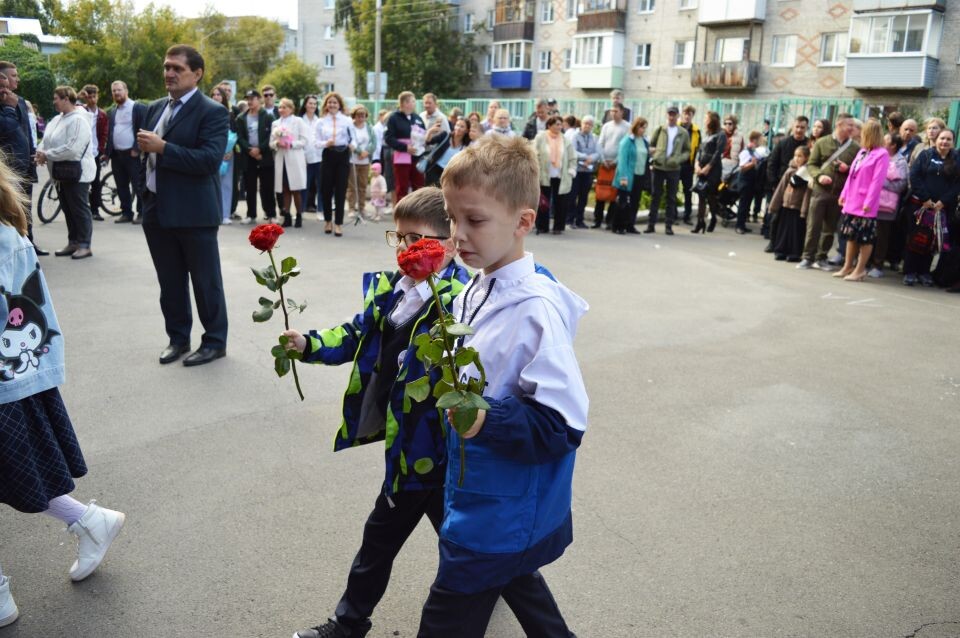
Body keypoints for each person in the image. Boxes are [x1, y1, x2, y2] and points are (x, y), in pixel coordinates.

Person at [419, 134, 588, 638]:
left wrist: (489, 418)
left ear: (522, 221)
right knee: (515, 577)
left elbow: (564, 422)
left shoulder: (534, 309)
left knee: (447, 617)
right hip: (480, 492)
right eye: (451, 218)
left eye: (474, 220)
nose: (458, 234)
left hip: (499, 505)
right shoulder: (478, 281)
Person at [285, 187, 470, 638]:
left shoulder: (461, 299)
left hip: (443, 450)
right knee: (406, 539)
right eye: (399, 238)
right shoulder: (390, 292)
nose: (405, 250)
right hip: (405, 447)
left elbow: (476, 372)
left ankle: (349, 624)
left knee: (437, 541)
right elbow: (354, 334)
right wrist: (310, 344)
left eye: (417, 239)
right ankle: (350, 623)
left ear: (447, 243)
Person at [0, 157, 125, 629]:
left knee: (17, 470)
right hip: (15, 379)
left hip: (8, 380)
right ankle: (89, 521)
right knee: (16, 470)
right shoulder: (8, 233)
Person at [136, 44, 229, 366]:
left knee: (206, 283)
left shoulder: (212, 111)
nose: (169, 73)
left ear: (197, 73)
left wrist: (164, 148)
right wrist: (144, 194)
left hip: (194, 214)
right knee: (170, 282)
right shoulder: (155, 107)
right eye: (166, 67)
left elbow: (208, 161)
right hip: (156, 209)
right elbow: (145, 155)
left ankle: (215, 341)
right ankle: (178, 339)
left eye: (177, 68)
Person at [36, 86, 96, 260]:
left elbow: (72, 148)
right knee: (68, 210)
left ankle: (85, 245)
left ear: (67, 99)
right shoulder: (56, 119)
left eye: (56, 98)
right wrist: (41, 152)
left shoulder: (79, 120)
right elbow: (46, 140)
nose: (54, 101)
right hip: (61, 173)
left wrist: (47, 155)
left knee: (79, 210)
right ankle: (73, 242)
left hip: (78, 173)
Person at [797, 113, 859, 271]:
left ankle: (821, 257)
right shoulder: (822, 142)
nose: (853, 128)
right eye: (849, 125)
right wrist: (819, 176)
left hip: (839, 194)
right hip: (820, 191)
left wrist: (848, 169)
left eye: (853, 125)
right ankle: (807, 257)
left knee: (829, 228)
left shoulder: (855, 148)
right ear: (839, 125)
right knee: (813, 225)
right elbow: (811, 164)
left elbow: (858, 171)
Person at [903, 128, 960, 287]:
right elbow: (914, 176)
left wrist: (943, 201)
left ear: (952, 142)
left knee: (932, 242)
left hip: (941, 208)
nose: (944, 142)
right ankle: (910, 272)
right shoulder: (926, 155)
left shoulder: (956, 159)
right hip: (921, 205)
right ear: (937, 139)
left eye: (948, 139)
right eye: (942, 138)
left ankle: (924, 272)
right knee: (915, 239)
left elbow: (957, 184)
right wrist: (925, 198)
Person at [834, 120, 889, 281]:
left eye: (863, 132)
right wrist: (844, 194)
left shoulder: (882, 154)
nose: (860, 135)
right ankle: (847, 267)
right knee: (851, 235)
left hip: (866, 204)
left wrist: (869, 202)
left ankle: (860, 270)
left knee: (864, 238)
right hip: (852, 200)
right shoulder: (862, 151)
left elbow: (877, 181)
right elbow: (852, 175)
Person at [0, 62, 42, 254]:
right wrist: (9, 107)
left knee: (25, 208)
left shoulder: (19, 101)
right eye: (13, 75)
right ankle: (18, 249)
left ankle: (29, 245)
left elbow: (26, 132)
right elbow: (8, 129)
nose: (17, 79)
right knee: (11, 210)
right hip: (9, 170)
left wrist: (32, 152)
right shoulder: (7, 104)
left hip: (24, 164)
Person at [104, 80, 147, 224]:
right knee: (121, 185)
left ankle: (142, 213)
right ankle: (126, 213)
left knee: (138, 185)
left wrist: (137, 148)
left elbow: (144, 128)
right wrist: (107, 152)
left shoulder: (137, 107)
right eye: (114, 91)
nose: (116, 93)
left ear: (126, 91)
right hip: (117, 155)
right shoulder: (113, 111)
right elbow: (111, 132)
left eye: (119, 90)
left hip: (132, 154)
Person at [644, 105, 690, 235]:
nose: (671, 117)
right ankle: (651, 224)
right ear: (666, 115)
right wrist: (655, 155)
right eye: (669, 114)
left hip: (673, 168)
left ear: (677, 116)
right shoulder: (660, 129)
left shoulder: (683, 132)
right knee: (655, 196)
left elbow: (687, 150)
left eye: (674, 114)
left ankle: (668, 225)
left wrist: (678, 159)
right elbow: (651, 145)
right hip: (658, 167)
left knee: (671, 197)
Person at [868, 132, 908, 278]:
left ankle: (877, 265)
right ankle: (866, 261)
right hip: (871, 202)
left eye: (885, 140)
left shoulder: (900, 162)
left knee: (882, 236)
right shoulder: (876, 155)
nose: (881, 142)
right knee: (869, 233)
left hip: (887, 206)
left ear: (893, 145)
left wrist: (880, 181)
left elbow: (901, 185)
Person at [764, 116, 809, 241]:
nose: (799, 130)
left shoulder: (809, 144)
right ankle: (772, 241)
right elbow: (772, 163)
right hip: (781, 184)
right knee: (774, 215)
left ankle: (788, 244)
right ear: (793, 127)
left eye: (802, 127)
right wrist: (774, 183)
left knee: (794, 219)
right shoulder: (783, 143)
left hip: (801, 187)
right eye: (797, 127)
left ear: (806, 128)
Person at [316, 91, 355, 236]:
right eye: (330, 102)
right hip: (328, 154)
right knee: (326, 190)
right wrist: (326, 143)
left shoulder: (346, 120)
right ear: (326, 105)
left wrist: (353, 145)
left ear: (339, 105)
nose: (332, 105)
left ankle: (338, 223)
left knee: (340, 190)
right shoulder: (321, 121)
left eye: (335, 103)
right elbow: (316, 142)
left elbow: (353, 138)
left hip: (343, 154)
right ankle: (328, 221)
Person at [236, 89, 276, 224]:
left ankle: (271, 214)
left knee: (267, 187)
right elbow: (239, 137)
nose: (249, 101)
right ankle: (251, 214)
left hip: (264, 156)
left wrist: (260, 149)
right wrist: (249, 149)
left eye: (252, 98)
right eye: (248, 99)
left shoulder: (268, 116)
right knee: (250, 187)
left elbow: (272, 135)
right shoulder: (241, 118)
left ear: (259, 99)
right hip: (249, 157)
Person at [533, 115, 577, 235]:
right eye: (556, 124)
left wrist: (571, 170)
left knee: (561, 202)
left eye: (560, 124)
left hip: (561, 176)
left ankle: (558, 227)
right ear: (549, 125)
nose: (559, 127)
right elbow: (534, 153)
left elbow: (573, 157)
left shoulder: (565, 140)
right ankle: (542, 226)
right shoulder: (541, 137)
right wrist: (535, 168)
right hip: (544, 175)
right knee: (544, 202)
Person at [270, 97, 310, 228]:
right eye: (280, 107)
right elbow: (271, 143)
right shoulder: (275, 123)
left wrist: (290, 144)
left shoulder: (298, 121)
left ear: (291, 109)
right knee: (285, 189)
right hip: (281, 159)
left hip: (294, 158)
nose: (281, 110)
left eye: (284, 107)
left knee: (296, 189)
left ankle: (298, 215)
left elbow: (304, 140)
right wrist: (277, 143)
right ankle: (286, 216)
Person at [768, 145, 811, 261]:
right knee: (783, 229)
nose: (797, 158)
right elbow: (781, 188)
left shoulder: (807, 172)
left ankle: (794, 253)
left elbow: (807, 193)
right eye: (795, 156)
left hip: (798, 206)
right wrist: (775, 204)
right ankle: (780, 250)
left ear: (807, 158)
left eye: (800, 156)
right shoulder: (790, 170)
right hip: (786, 204)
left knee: (796, 231)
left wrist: (804, 209)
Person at [384, 91, 426, 205]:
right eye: (410, 101)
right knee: (402, 187)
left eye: (413, 101)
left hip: (417, 157)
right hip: (401, 158)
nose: (413, 104)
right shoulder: (394, 118)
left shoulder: (417, 118)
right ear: (403, 103)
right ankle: (401, 216)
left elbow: (424, 135)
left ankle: (418, 215)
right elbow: (388, 138)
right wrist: (405, 147)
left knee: (419, 186)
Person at [611, 116, 649, 235]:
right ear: (635, 126)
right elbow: (622, 161)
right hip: (627, 176)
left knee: (635, 202)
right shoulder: (627, 140)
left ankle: (630, 225)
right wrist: (623, 178)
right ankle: (618, 226)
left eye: (644, 128)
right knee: (623, 201)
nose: (643, 130)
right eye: (641, 127)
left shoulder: (644, 141)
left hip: (639, 175)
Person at [593, 104, 629, 228]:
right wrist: (603, 159)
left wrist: (615, 161)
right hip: (604, 164)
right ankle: (597, 220)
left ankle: (609, 221)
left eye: (616, 111)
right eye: (612, 111)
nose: (613, 113)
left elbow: (625, 147)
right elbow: (600, 143)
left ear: (622, 112)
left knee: (613, 194)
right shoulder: (606, 126)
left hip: (617, 165)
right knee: (600, 193)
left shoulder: (627, 127)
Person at [692, 110, 726, 234]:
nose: (705, 120)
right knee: (700, 194)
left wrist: (708, 167)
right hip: (701, 167)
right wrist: (696, 164)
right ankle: (700, 222)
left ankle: (713, 219)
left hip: (713, 170)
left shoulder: (721, 134)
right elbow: (699, 151)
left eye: (707, 118)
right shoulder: (706, 134)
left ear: (713, 120)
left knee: (711, 195)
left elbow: (718, 153)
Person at [80, 85, 108, 222]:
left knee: (95, 182)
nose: (91, 99)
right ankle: (82, 208)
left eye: (94, 96)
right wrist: (80, 98)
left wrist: (102, 150)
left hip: (94, 152)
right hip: (81, 152)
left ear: (97, 96)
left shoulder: (102, 114)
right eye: (89, 97)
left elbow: (103, 134)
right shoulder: (80, 110)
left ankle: (95, 210)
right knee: (81, 181)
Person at [210, 86, 237, 225]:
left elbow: (233, 134)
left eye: (218, 95)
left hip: (227, 154)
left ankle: (225, 214)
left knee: (226, 184)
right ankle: (213, 213)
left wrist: (230, 150)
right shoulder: (206, 112)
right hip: (211, 153)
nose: (216, 97)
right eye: (213, 94)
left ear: (223, 97)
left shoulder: (229, 114)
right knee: (211, 184)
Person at [347, 105, 376, 221]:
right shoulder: (351, 128)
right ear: (354, 116)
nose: (361, 118)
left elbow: (374, 142)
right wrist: (359, 151)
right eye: (358, 115)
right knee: (352, 186)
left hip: (365, 161)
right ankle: (351, 208)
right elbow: (350, 142)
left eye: (363, 115)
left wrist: (366, 152)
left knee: (363, 185)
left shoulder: (369, 127)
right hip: (353, 160)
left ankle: (362, 208)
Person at [733, 130, 764, 235]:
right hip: (745, 181)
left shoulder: (754, 151)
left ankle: (743, 225)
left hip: (752, 182)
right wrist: (752, 164)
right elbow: (742, 167)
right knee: (743, 205)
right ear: (755, 140)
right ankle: (739, 226)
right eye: (760, 138)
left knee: (747, 205)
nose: (763, 140)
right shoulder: (746, 152)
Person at [424, 117, 470, 187]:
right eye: (457, 125)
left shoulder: (466, 145)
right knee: (431, 193)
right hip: (434, 169)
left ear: (466, 130)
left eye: (462, 126)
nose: (458, 128)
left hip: (449, 173)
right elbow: (428, 141)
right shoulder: (445, 136)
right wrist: (430, 131)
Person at [571, 114, 598, 229]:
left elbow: (598, 152)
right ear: (581, 124)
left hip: (588, 171)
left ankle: (580, 220)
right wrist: (585, 157)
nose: (587, 126)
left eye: (590, 124)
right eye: (585, 123)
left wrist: (592, 158)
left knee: (583, 196)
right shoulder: (575, 136)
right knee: (573, 195)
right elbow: (573, 151)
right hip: (577, 170)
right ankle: (570, 219)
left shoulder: (594, 137)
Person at [299, 94, 323, 214]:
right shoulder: (299, 120)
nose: (312, 106)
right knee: (304, 186)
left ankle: (321, 211)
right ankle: (301, 211)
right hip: (304, 158)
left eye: (315, 104)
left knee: (321, 186)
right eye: (310, 103)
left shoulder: (319, 120)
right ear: (305, 104)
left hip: (319, 158)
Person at [679, 105, 700, 225]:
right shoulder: (676, 127)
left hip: (688, 165)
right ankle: (672, 215)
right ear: (682, 115)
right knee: (673, 191)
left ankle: (687, 216)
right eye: (685, 113)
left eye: (689, 114)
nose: (687, 116)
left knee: (688, 191)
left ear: (692, 116)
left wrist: (695, 164)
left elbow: (698, 149)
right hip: (676, 164)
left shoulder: (696, 131)